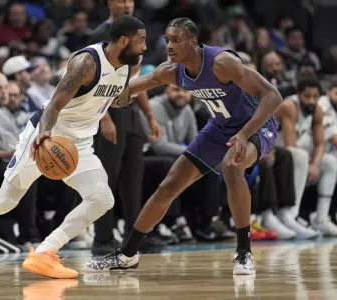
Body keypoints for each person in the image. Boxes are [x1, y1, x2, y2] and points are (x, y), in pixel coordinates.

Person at [0, 15, 147, 279]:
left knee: (102, 198)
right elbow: (55, 104)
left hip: (80, 143)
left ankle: (44, 252)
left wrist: (140, 89)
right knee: (5, 200)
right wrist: (45, 134)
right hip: (48, 136)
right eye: (141, 41)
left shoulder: (130, 65)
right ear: (124, 41)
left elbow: (113, 97)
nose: (145, 47)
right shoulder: (86, 63)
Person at [84, 17, 282, 275]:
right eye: (167, 40)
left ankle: (244, 252)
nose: (169, 46)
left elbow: (273, 96)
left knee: (231, 166)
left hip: (257, 125)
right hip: (220, 128)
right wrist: (95, 96)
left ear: (193, 41)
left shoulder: (222, 63)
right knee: (168, 185)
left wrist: (244, 135)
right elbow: (130, 89)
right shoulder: (172, 71)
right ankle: (127, 254)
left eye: (176, 40)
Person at [88, 0, 162, 255]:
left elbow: (131, 81)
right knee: (106, 178)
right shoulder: (100, 34)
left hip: (130, 114)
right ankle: (102, 238)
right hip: (107, 113)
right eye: (121, 0)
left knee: (134, 178)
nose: (127, 4)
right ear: (110, 3)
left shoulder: (135, 33)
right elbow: (94, 81)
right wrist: (104, 118)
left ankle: (136, 235)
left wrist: (149, 115)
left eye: (130, 0)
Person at [275, 78, 337, 236]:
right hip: (275, 151)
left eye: (315, 97)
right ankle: (289, 215)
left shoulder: (317, 111)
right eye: (307, 96)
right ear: (298, 95)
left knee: (330, 162)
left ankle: (321, 218)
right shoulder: (290, 106)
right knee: (300, 155)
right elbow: (290, 144)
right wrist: (309, 165)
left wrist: (315, 164)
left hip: (297, 155)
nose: (312, 101)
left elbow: (320, 144)